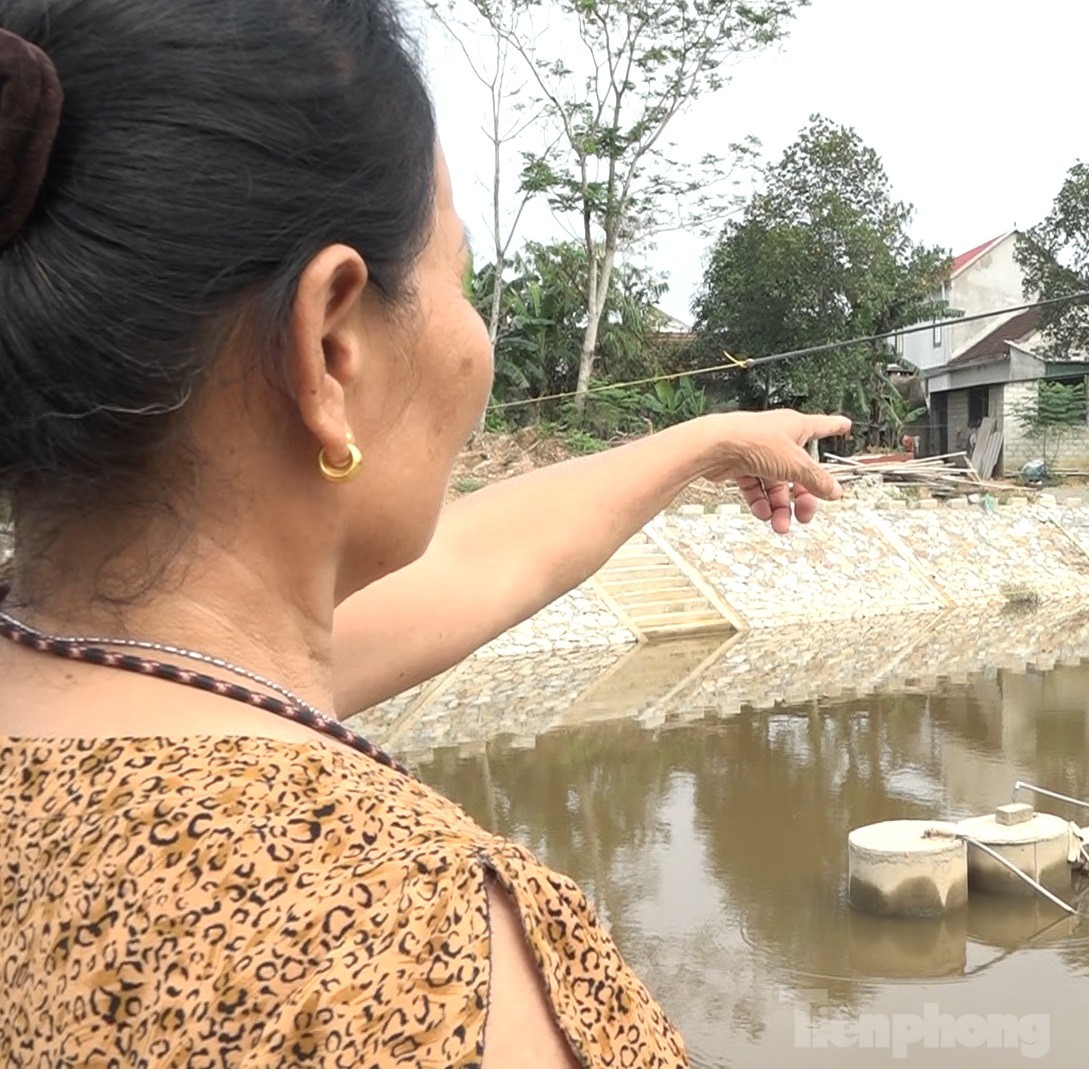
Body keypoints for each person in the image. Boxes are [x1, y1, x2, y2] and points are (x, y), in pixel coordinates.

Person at [0, 2, 851, 1064]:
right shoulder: (416, 952)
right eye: (457, 273)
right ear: (331, 341)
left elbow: (479, 560)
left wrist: (706, 443)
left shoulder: (78, 687)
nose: (473, 333)